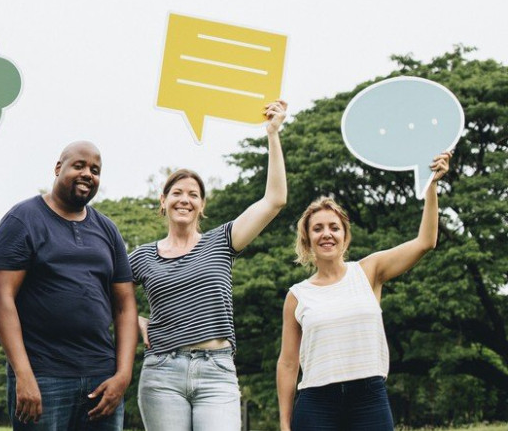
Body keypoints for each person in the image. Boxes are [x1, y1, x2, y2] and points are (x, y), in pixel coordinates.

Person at [129, 101, 288, 430]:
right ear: (163, 201)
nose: (184, 199)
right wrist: (137, 321)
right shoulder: (143, 255)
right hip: (162, 371)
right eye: (176, 192)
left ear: (202, 205)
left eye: (193, 194)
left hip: (216, 370)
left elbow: (275, 200)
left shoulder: (222, 241)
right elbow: (102, 294)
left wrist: (273, 134)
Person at [276, 152, 452, 431]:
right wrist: (285, 424)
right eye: (318, 228)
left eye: (334, 227)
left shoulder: (368, 271)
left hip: (368, 398)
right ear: (307, 240)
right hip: (317, 403)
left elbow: (425, 242)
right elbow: (287, 363)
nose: (327, 234)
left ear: (345, 236)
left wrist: (431, 185)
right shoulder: (298, 295)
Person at [0, 141, 138, 431]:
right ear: (58, 168)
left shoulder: (107, 230)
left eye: (95, 170)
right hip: (43, 376)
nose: (87, 174)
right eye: (79, 165)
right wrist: (24, 374)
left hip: (101, 379)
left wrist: (123, 375)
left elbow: (125, 304)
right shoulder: (23, 220)